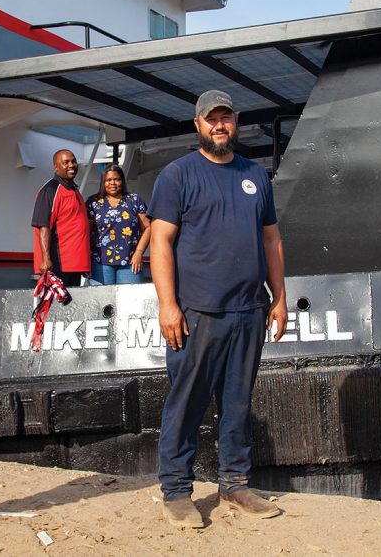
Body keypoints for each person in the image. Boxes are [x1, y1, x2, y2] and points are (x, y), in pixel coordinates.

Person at [148, 89, 288, 529]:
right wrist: (168, 305)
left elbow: (271, 240)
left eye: (226, 117)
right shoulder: (177, 175)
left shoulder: (255, 176)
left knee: (237, 404)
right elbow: (160, 241)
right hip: (196, 314)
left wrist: (279, 297)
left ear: (236, 122)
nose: (220, 125)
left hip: (248, 311)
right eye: (212, 119)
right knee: (186, 404)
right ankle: (176, 491)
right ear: (198, 124)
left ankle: (235, 483)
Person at [31, 149, 90, 287]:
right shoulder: (50, 190)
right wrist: (46, 259)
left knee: (71, 308)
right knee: (56, 307)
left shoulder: (73, 189)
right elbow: (43, 226)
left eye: (74, 161)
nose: (72, 165)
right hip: (58, 266)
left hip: (75, 266)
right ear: (56, 167)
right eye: (66, 162)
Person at [86, 163, 151, 284]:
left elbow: (148, 227)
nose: (113, 183)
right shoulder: (93, 202)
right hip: (100, 263)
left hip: (131, 262)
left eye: (117, 179)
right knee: (103, 301)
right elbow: (86, 232)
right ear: (103, 182)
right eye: (108, 180)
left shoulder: (134, 200)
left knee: (129, 301)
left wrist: (139, 253)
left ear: (122, 181)